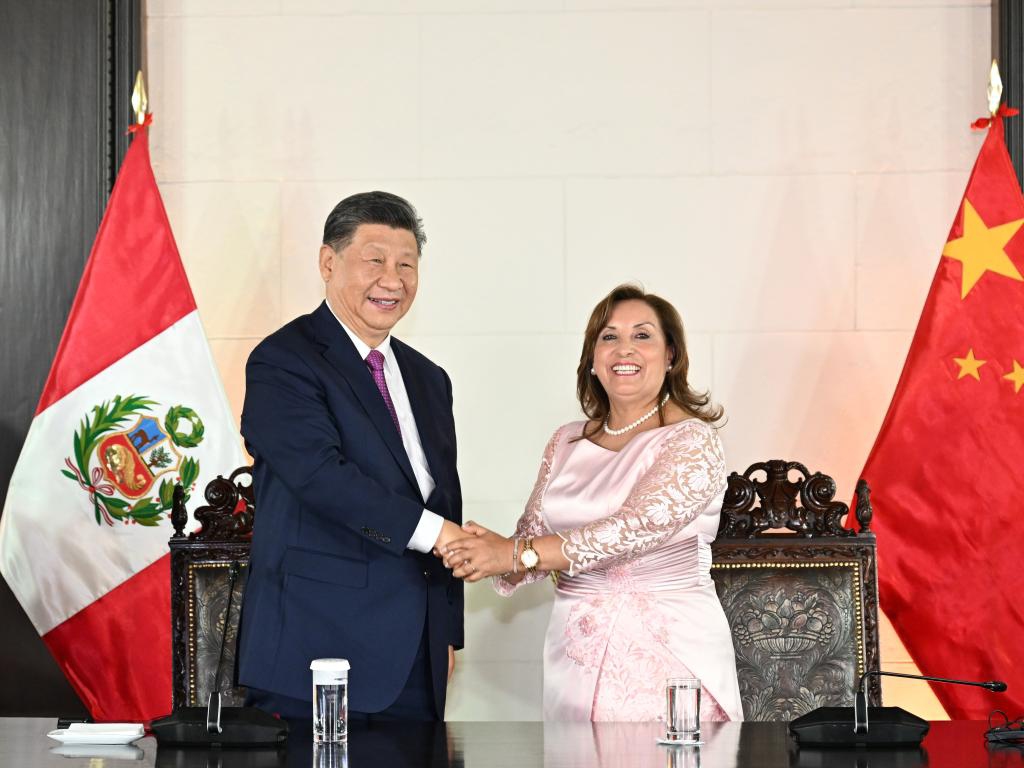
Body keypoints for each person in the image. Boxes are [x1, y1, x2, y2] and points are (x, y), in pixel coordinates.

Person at [440, 284, 743, 722]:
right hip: (574, 653)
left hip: (668, 654)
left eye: (642, 336)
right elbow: (532, 539)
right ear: (594, 359)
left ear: (671, 354)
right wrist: (487, 549)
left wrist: (511, 554)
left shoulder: (693, 439)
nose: (625, 349)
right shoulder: (565, 441)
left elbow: (633, 528)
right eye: (609, 336)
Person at [237, 191, 464, 721]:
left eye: (407, 264)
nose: (393, 279)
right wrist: (438, 534)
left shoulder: (430, 379)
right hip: (317, 648)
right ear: (328, 262)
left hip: (416, 660)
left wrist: (447, 632)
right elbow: (321, 477)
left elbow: (443, 497)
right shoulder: (282, 361)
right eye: (375, 261)